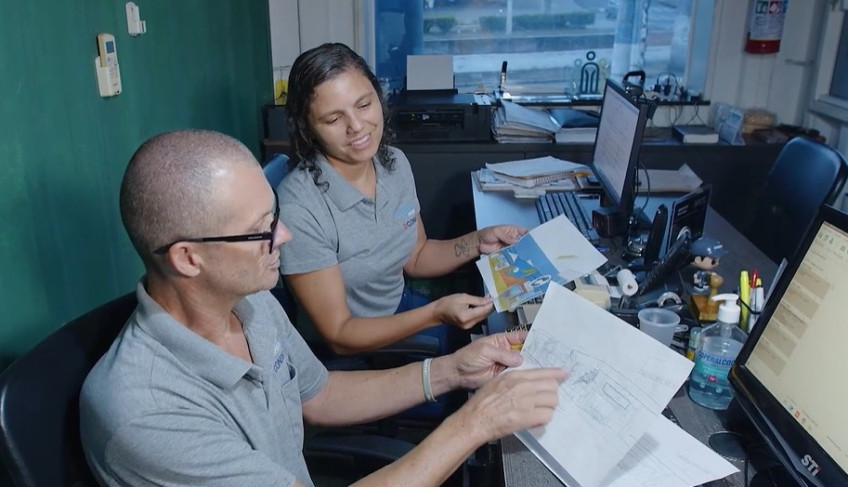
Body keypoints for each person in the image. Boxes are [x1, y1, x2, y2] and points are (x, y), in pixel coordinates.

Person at [79, 129, 567, 486]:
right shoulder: (145, 413)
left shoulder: (248, 303)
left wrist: (452, 371)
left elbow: (321, 395)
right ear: (189, 258)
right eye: (262, 228)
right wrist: (476, 422)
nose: (284, 236)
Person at [279, 42, 526, 357]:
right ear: (308, 128)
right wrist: (434, 314)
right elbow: (339, 335)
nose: (357, 127)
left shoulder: (392, 163)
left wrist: (480, 242)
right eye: (333, 119)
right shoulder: (300, 207)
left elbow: (417, 256)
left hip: (399, 307)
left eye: (364, 104)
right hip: (351, 347)